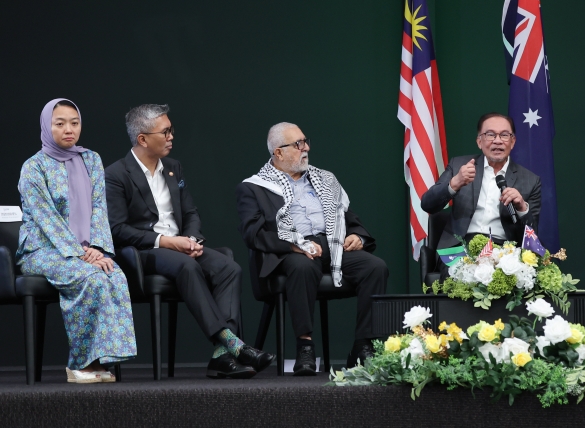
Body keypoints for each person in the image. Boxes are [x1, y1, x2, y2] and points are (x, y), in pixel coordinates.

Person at [106, 103, 273, 379]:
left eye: (172, 130)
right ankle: (231, 343)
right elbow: (118, 229)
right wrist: (169, 242)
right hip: (145, 252)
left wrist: (192, 239)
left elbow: (190, 212)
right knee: (187, 266)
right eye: (166, 131)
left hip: (182, 246)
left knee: (229, 267)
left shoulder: (173, 167)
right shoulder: (116, 175)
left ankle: (221, 355)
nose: (172, 136)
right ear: (143, 139)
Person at [237, 122, 388, 375]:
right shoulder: (254, 187)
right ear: (278, 153)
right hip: (291, 252)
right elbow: (253, 234)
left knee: (375, 267)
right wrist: (295, 245)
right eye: (297, 144)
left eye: (305, 141)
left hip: (332, 246)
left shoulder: (325, 179)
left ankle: (363, 346)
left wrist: (358, 237)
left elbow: (351, 220)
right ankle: (304, 347)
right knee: (302, 266)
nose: (305, 148)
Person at [17, 99, 136, 383]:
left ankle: (100, 361)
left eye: (74, 122)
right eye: (60, 124)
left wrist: (96, 249)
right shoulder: (33, 167)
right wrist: (79, 253)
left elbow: (99, 209)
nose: (68, 129)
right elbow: (47, 219)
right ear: (47, 126)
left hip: (85, 249)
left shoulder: (91, 159)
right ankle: (79, 364)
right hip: (42, 250)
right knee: (90, 278)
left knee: (114, 275)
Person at [421, 113, 542, 253]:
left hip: (504, 251)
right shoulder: (458, 166)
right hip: (459, 248)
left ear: (512, 142)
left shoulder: (530, 180)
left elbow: (532, 235)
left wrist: (521, 207)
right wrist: (454, 183)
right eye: (490, 134)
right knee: (460, 274)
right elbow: (427, 204)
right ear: (479, 141)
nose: (497, 141)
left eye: (504, 135)